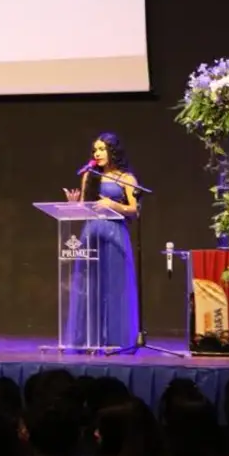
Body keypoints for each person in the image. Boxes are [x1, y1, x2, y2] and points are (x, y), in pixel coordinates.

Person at [62, 132, 140, 351]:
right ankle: (88, 340)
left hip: (115, 234)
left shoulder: (126, 178)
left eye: (102, 149)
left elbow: (134, 211)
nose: (97, 153)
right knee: (90, 286)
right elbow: (85, 208)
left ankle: (115, 341)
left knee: (115, 286)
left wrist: (113, 205)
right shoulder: (90, 176)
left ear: (112, 151)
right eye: (95, 150)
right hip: (92, 233)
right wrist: (74, 205)